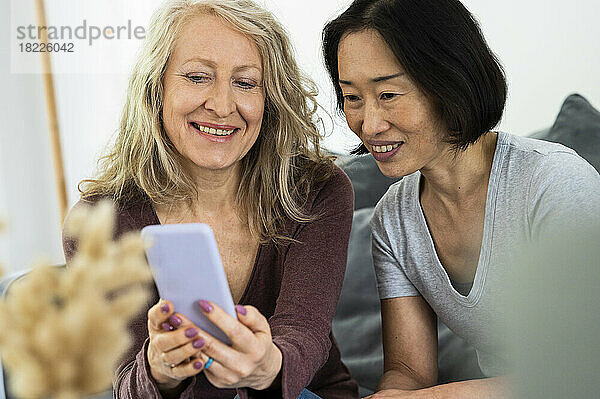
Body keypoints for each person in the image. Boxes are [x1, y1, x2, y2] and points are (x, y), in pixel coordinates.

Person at [63, 1, 360, 398]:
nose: (222, 106)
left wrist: (265, 365)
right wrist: (159, 368)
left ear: (270, 97)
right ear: (157, 88)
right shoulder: (99, 222)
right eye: (198, 77)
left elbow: (305, 332)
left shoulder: (317, 190)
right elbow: (126, 385)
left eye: (246, 82)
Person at [322, 0, 600, 397]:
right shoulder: (394, 220)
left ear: (448, 82)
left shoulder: (553, 184)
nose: (369, 124)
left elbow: (580, 374)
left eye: (388, 94)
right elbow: (409, 373)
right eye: (352, 98)